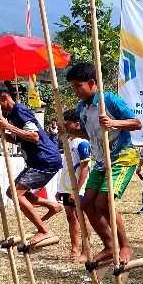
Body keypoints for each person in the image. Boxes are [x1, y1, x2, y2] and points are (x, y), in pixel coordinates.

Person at [66, 62, 142, 265]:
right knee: (87, 204)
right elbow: (91, 134)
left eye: (77, 86)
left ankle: (125, 245)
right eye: (72, 87)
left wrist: (113, 122)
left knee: (103, 202)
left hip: (122, 157)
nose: (75, 91)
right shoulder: (82, 107)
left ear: (92, 82)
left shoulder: (110, 100)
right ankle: (109, 246)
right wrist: (73, 132)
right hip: (100, 161)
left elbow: (136, 123)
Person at [0, 83, 64, 246]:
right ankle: (52, 206)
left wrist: (8, 126)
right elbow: (17, 139)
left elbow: (34, 137)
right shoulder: (11, 115)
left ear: (4, 97)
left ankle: (44, 230)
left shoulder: (19, 111)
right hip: (38, 161)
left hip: (45, 159)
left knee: (14, 193)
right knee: (18, 193)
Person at [56, 109, 92, 261]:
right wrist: (61, 189)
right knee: (71, 217)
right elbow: (66, 166)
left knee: (82, 217)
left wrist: (77, 190)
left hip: (79, 187)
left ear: (77, 124)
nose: (65, 128)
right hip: (67, 186)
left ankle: (86, 251)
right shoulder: (68, 141)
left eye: (68, 125)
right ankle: (74, 249)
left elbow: (84, 168)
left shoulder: (82, 143)